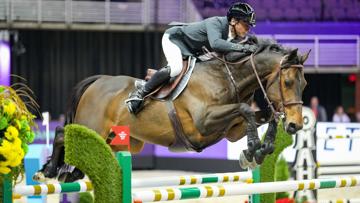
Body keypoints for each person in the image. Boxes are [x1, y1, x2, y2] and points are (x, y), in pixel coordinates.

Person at [126, 2, 259, 114]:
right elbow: (216, 44)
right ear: (234, 21)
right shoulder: (216, 23)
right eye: (246, 24)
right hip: (175, 40)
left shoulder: (233, 36)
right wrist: (243, 48)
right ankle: (140, 93)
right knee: (176, 69)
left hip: (193, 51)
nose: (248, 29)